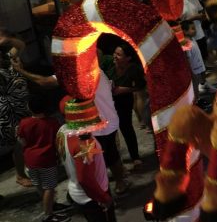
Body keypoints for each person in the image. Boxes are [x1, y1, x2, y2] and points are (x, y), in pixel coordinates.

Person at [12, 55, 130, 194]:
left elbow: (45, 82)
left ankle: (102, 194)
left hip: (95, 126)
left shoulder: (76, 73)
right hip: (109, 121)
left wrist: (20, 70)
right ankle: (119, 183)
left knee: (95, 162)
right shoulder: (95, 69)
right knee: (111, 154)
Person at [16, 94, 68, 222]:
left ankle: (51, 205)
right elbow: (58, 141)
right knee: (49, 187)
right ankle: (48, 216)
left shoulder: (24, 123)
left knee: (40, 186)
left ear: (29, 107)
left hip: (30, 161)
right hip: (47, 161)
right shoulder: (53, 123)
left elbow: (22, 141)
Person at [101, 45, 145, 167]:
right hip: (107, 102)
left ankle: (135, 157)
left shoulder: (133, 69)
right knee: (110, 131)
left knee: (126, 128)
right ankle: (115, 161)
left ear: (128, 58)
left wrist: (125, 90)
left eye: (119, 55)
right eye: (115, 53)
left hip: (124, 101)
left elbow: (141, 86)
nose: (115, 56)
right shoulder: (109, 65)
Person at [0, 43, 33, 188]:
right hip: (7, 112)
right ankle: (20, 175)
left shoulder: (6, 59)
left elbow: (19, 44)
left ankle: (24, 171)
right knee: (17, 142)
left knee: (22, 140)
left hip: (20, 107)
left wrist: (5, 37)